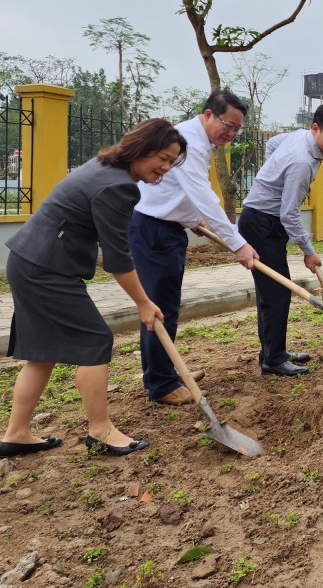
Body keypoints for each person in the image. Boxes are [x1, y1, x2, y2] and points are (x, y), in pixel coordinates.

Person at [0, 119, 186, 458]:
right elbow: (117, 258)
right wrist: (144, 302)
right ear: (141, 148)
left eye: (172, 161)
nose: (165, 167)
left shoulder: (103, 167)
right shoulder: (120, 186)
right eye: (162, 157)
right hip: (45, 269)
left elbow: (87, 231)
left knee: (42, 351)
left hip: (29, 261)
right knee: (96, 340)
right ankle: (100, 430)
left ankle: (17, 434)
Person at [130, 89, 259, 406]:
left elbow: (183, 193)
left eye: (236, 129)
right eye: (228, 125)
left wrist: (190, 218)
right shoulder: (187, 141)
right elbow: (203, 195)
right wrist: (238, 244)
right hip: (153, 228)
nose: (230, 133)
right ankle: (161, 385)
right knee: (159, 306)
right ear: (207, 114)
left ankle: (168, 372)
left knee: (168, 304)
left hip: (167, 227)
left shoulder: (199, 142)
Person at [240, 104, 323, 374]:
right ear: (316, 128)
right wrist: (308, 251)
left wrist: (271, 174)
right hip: (262, 223)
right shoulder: (301, 162)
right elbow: (289, 213)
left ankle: (273, 351)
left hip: (265, 219)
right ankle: (273, 359)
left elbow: (272, 144)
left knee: (275, 292)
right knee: (276, 294)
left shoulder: (300, 136)